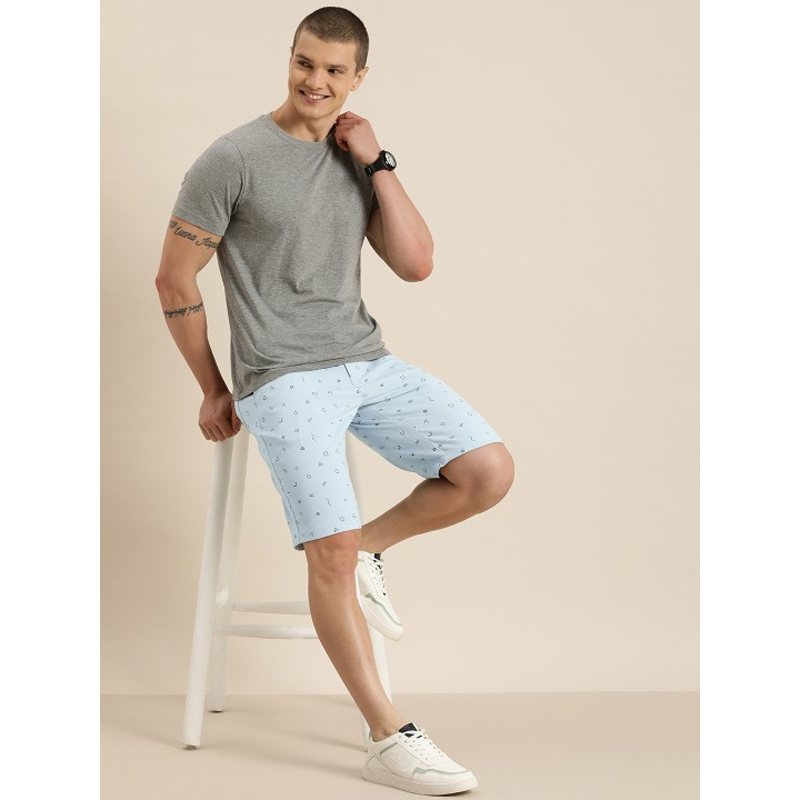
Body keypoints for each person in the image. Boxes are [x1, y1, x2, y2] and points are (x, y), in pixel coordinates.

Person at [155, 6, 514, 795]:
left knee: (488, 470)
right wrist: (213, 387)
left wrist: (376, 159)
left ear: (358, 78)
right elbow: (173, 278)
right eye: (304, 62)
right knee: (329, 547)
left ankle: (367, 553)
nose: (314, 81)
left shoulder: (357, 158)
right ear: (289, 59)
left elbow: (416, 264)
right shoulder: (232, 158)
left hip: (365, 361)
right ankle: (387, 736)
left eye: (332, 70)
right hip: (280, 375)